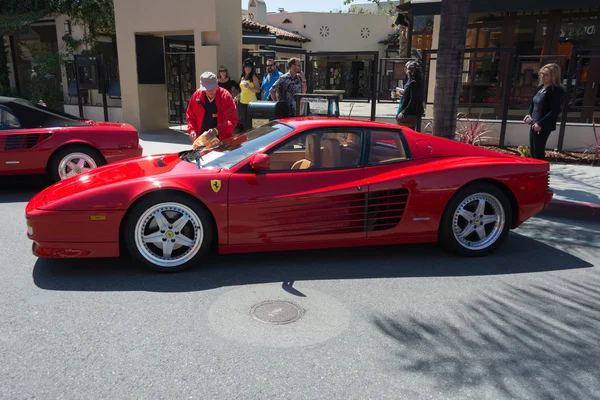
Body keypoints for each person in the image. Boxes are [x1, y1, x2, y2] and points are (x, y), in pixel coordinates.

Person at [523, 63, 565, 161]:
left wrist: (540, 123)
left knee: (538, 152)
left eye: (546, 75)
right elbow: (533, 103)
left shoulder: (555, 91)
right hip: (534, 123)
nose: (543, 76)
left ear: (553, 76)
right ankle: (534, 172)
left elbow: (555, 111)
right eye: (542, 73)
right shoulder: (541, 88)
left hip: (543, 125)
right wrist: (528, 114)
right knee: (533, 151)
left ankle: (542, 173)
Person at [186, 71, 238, 143]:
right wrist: (192, 130)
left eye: (211, 88)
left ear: (217, 84)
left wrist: (216, 130)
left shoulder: (225, 96)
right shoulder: (196, 96)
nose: (209, 91)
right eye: (206, 89)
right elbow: (191, 117)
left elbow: (232, 120)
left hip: (222, 139)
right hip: (202, 140)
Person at [396, 61, 424, 130]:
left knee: (406, 133)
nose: (405, 70)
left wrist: (404, 112)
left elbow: (413, 100)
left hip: (409, 114)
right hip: (409, 112)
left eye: (406, 68)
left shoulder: (413, 83)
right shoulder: (413, 82)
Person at [237, 58, 261, 131]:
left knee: (249, 123)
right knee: (243, 122)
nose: (247, 69)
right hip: (242, 102)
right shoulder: (242, 77)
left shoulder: (253, 77)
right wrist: (237, 96)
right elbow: (242, 91)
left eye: (249, 67)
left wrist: (249, 87)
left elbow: (258, 90)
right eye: (246, 67)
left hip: (251, 103)